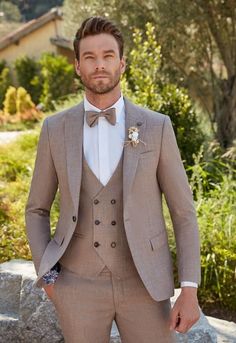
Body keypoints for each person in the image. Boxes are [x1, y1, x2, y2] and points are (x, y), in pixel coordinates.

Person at [25, 16, 201, 343]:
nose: (99, 65)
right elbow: (36, 209)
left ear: (122, 63)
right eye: (89, 57)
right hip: (76, 286)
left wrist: (189, 288)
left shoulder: (156, 127)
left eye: (108, 56)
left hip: (146, 284)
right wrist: (49, 278)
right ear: (77, 66)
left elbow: (183, 212)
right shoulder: (55, 129)